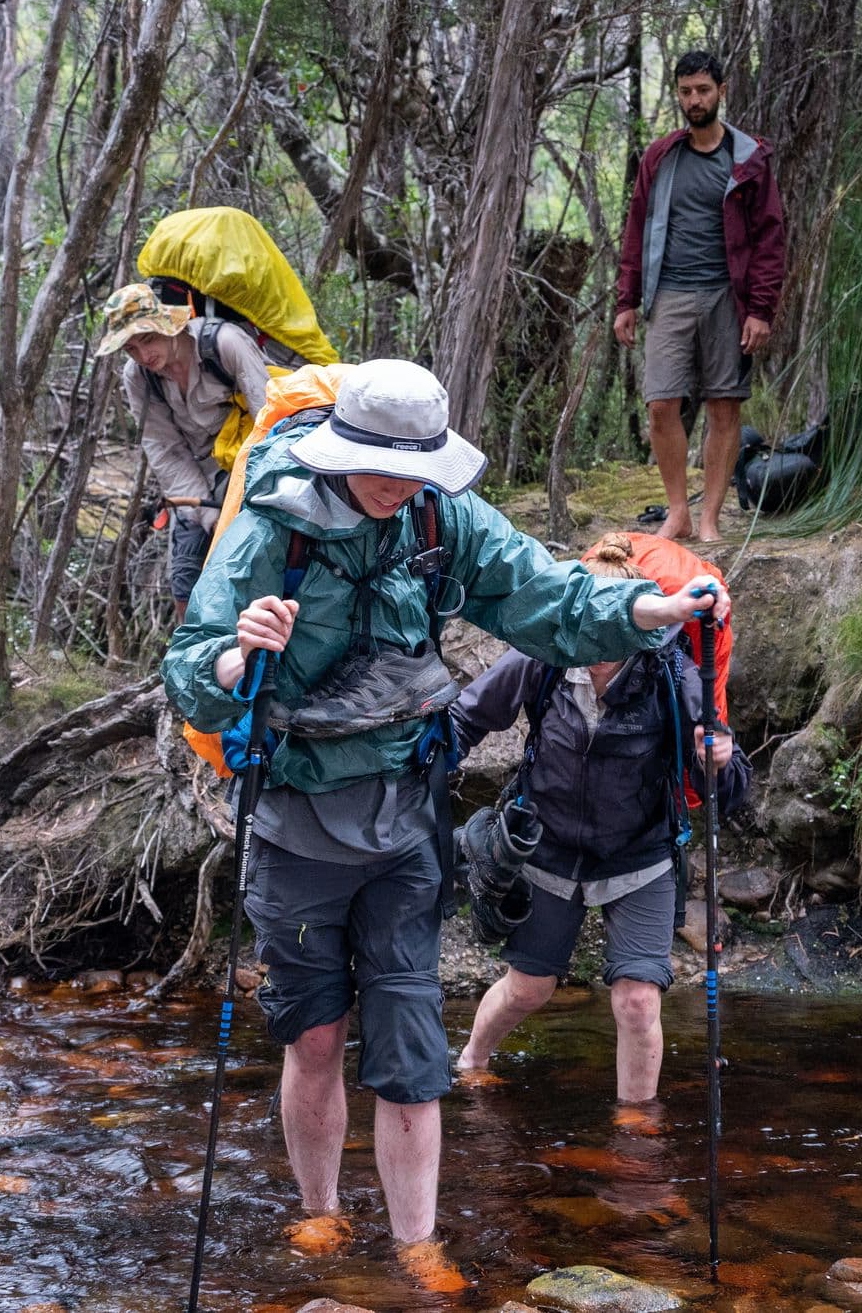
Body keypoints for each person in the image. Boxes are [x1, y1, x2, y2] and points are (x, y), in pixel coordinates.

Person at [160, 360, 729, 1283]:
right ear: (341, 453)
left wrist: (651, 608)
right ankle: (320, 1216)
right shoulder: (273, 528)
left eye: (416, 467)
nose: (401, 485)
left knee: (414, 1043)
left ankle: (416, 1244)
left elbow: (549, 596)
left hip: (406, 824)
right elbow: (185, 668)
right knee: (313, 1035)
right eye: (385, 466)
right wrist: (234, 656)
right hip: (297, 821)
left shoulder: (438, 516)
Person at [448, 534, 751, 1106]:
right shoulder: (542, 657)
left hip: (640, 854)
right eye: (591, 629)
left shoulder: (675, 674)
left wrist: (720, 759)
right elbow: (466, 720)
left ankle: (635, 1127)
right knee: (528, 988)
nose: (600, 646)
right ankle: (472, 1059)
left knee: (638, 1000)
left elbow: (729, 791)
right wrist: (415, 776)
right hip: (549, 849)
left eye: (615, 633)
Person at [614, 50, 787, 544]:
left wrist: (760, 310)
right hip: (668, 294)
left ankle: (708, 518)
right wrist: (626, 300)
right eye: (686, 91)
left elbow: (771, 239)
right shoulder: (661, 158)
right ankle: (677, 512)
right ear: (678, 94)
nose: (695, 100)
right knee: (661, 403)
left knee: (724, 406)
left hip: (726, 299)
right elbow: (637, 229)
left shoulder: (748, 159)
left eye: (703, 91)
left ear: (721, 91)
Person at [95, 281, 274, 622]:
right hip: (198, 488)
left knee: (260, 572)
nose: (143, 356)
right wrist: (212, 518)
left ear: (168, 325)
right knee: (186, 581)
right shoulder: (138, 378)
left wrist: (254, 497)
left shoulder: (225, 345)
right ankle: (189, 665)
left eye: (147, 339)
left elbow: (273, 421)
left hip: (254, 470)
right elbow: (166, 452)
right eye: (130, 348)